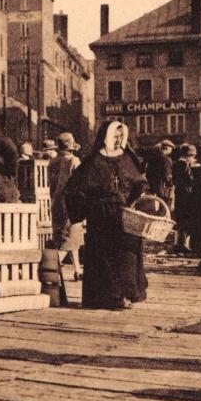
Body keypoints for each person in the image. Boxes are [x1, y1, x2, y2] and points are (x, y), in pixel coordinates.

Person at [64, 121, 148, 310]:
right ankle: (109, 297)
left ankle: (126, 294)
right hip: (101, 217)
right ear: (106, 137)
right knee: (105, 258)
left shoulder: (127, 158)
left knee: (127, 256)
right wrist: (85, 210)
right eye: (115, 136)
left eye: (121, 136)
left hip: (125, 215)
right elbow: (73, 189)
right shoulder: (93, 161)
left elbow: (140, 182)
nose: (118, 140)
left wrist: (136, 199)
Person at [49, 132, 84, 279]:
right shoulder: (75, 161)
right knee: (68, 240)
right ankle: (47, 269)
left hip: (56, 203)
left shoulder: (53, 161)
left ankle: (77, 270)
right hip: (72, 205)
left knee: (68, 238)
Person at [172, 143, 197, 253]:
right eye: (192, 155)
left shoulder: (176, 164)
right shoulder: (184, 165)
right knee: (187, 220)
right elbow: (190, 179)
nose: (193, 158)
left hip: (179, 195)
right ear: (188, 155)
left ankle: (177, 243)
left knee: (179, 220)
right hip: (187, 196)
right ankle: (184, 244)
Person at [145, 139, 175, 205]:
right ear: (167, 148)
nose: (171, 151)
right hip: (161, 186)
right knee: (164, 205)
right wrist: (171, 184)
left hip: (152, 185)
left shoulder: (153, 158)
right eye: (171, 149)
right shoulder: (166, 159)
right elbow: (167, 175)